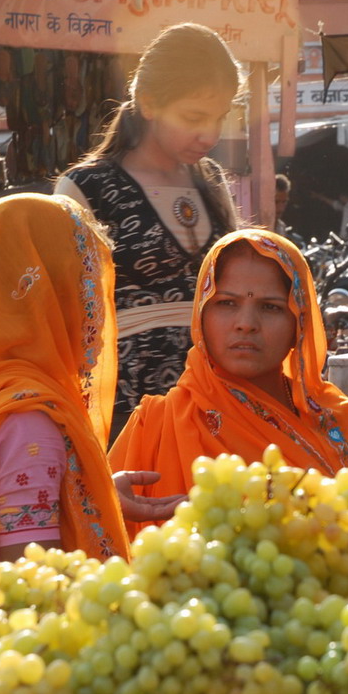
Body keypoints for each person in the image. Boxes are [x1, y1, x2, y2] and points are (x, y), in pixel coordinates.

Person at [0, 194, 184, 589]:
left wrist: (91, 493)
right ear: (51, 297)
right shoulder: (29, 423)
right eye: (88, 291)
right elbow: (36, 593)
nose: (98, 319)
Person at [109, 228, 348, 536]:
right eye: (227, 303)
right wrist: (104, 501)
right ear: (201, 314)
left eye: (270, 307)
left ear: (300, 323)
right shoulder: (157, 425)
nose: (245, 324)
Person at [54, 22, 242, 440]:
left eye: (220, 117)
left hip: (218, 401)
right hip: (125, 408)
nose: (210, 134)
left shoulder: (209, 181)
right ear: (148, 102)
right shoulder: (85, 188)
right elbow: (64, 313)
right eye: (194, 117)